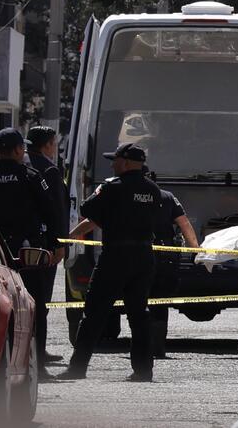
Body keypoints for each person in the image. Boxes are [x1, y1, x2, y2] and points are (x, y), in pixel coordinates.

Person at [59, 143, 162, 382]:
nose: (113, 164)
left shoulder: (112, 187)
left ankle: (78, 367)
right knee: (139, 314)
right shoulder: (154, 190)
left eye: (114, 160)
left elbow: (88, 209)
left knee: (94, 313)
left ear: (125, 162)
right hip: (144, 258)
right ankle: (143, 370)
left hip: (115, 257)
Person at [0, 128, 65, 378]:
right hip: (26, 255)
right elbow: (51, 211)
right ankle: (36, 365)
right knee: (32, 307)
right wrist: (57, 244)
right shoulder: (30, 176)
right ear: (19, 150)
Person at [25, 126, 71, 366]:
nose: (55, 148)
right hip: (43, 245)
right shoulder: (48, 170)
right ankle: (38, 353)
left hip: (16, 243)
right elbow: (58, 211)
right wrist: (60, 243)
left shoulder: (20, 164)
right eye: (54, 144)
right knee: (40, 298)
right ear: (46, 145)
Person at [149, 185, 198, 358]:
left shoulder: (122, 192)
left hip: (137, 254)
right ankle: (157, 348)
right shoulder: (167, 196)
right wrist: (196, 251)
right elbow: (184, 223)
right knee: (160, 303)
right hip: (165, 256)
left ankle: (142, 347)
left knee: (137, 301)